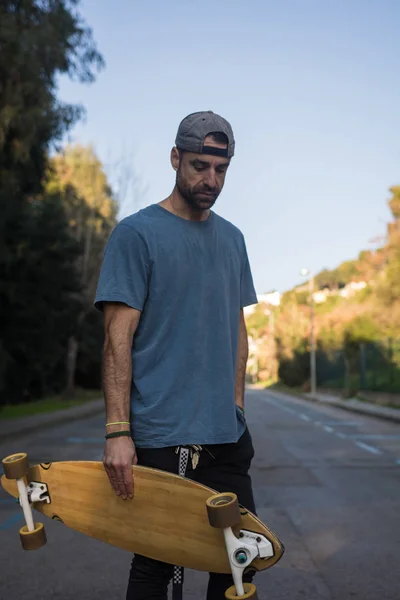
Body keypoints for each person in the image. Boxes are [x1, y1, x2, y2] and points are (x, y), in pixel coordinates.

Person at [94, 110, 258, 600]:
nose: (211, 180)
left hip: (225, 437)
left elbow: (238, 330)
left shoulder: (233, 239)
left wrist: (238, 409)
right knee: (158, 567)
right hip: (162, 436)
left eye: (221, 170)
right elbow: (116, 338)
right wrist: (118, 430)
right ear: (175, 159)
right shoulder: (137, 234)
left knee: (239, 562)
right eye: (199, 167)